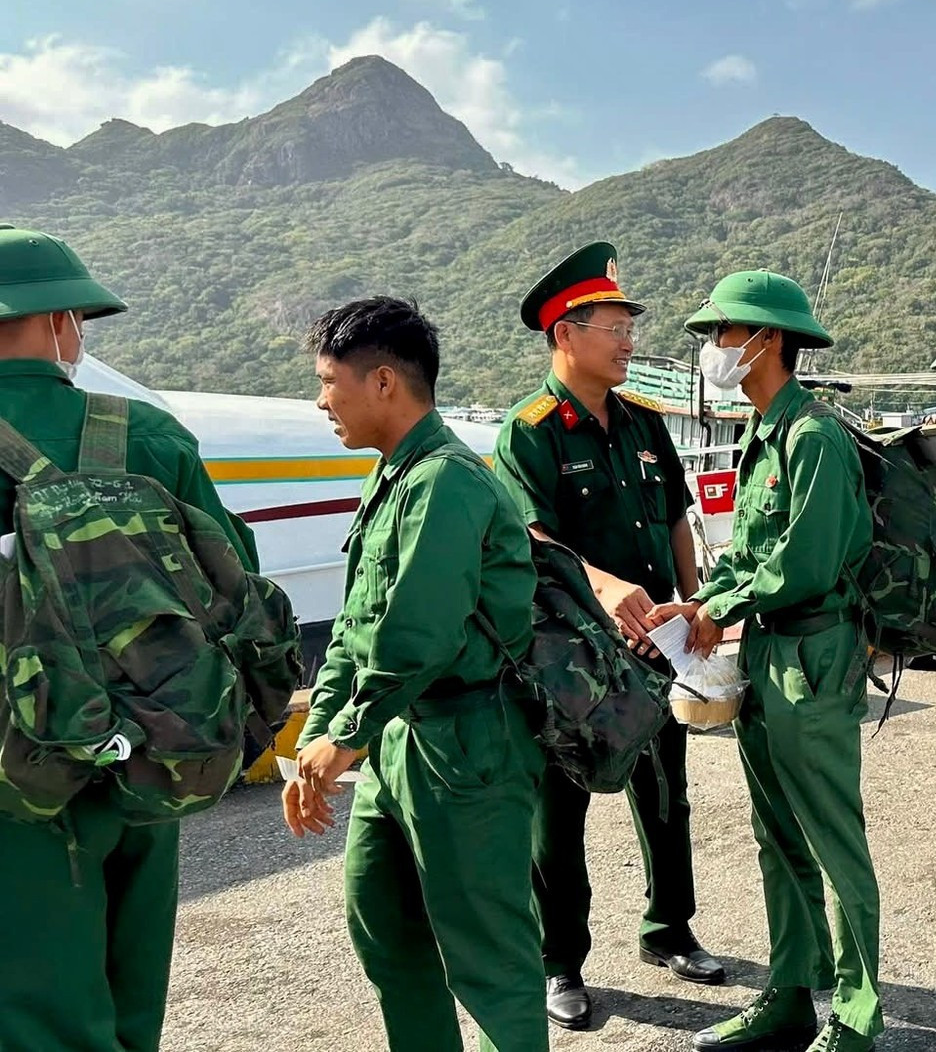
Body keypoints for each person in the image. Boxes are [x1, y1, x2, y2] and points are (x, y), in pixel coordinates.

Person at [0, 227, 261, 1052]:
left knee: (36, 1008)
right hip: (150, 756)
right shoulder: (145, 435)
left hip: (18, 777)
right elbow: (238, 588)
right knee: (130, 990)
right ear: (60, 323)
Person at [287, 296, 547, 1051]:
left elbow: (418, 635)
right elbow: (354, 631)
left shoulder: (447, 481)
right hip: (399, 740)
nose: (320, 399)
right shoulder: (394, 477)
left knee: (491, 964)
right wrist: (319, 733)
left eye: (328, 381)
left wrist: (349, 733)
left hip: (467, 745)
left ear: (383, 384)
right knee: (387, 934)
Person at [490, 243, 720, 1031]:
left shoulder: (646, 423)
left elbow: (675, 518)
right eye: (614, 327)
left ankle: (670, 929)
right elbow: (529, 536)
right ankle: (561, 961)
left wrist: (693, 602)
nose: (628, 341)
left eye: (628, 325)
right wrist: (606, 586)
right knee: (560, 807)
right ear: (565, 332)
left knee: (667, 792)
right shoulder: (529, 432)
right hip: (572, 659)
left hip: (659, 646)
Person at [671, 270, 882, 1052]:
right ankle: (791, 995)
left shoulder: (813, 435)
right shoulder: (763, 433)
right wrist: (695, 601)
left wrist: (721, 605)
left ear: (767, 341)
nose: (712, 350)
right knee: (777, 835)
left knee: (833, 837)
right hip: (768, 652)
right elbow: (752, 553)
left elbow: (807, 561)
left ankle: (858, 1014)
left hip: (813, 653)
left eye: (721, 334)